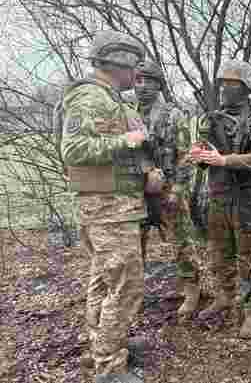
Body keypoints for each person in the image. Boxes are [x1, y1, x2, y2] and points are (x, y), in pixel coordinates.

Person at [60, 30, 149, 382]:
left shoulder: (109, 99)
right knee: (125, 286)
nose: (137, 74)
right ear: (119, 62)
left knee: (104, 281)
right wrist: (126, 140)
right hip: (108, 210)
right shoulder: (90, 97)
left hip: (114, 208)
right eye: (134, 65)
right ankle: (110, 367)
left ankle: (103, 347)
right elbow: (74, 150)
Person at [191, 59, 251, 339]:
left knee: (249, 257)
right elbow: (204, 154)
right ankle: (225, 295)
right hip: (218, 194)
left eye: (232, 84)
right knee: (218, 253)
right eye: (223, 83)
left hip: (246, 197)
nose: (225, 89)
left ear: (246, 88)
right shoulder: (214, 118)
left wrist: (225, 160)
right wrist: (199, 155)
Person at [134, 59, 201, 317]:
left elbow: (186, 156)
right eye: (138, 81)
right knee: (133, 247)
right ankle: (133, 294)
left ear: (159, 84)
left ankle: (192, 289)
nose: (143, 87)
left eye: (149, 81)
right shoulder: (129, 115)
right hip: (137, 191)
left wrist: (178, 190)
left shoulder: (173, 114)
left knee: (182, 242)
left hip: (168, 189)